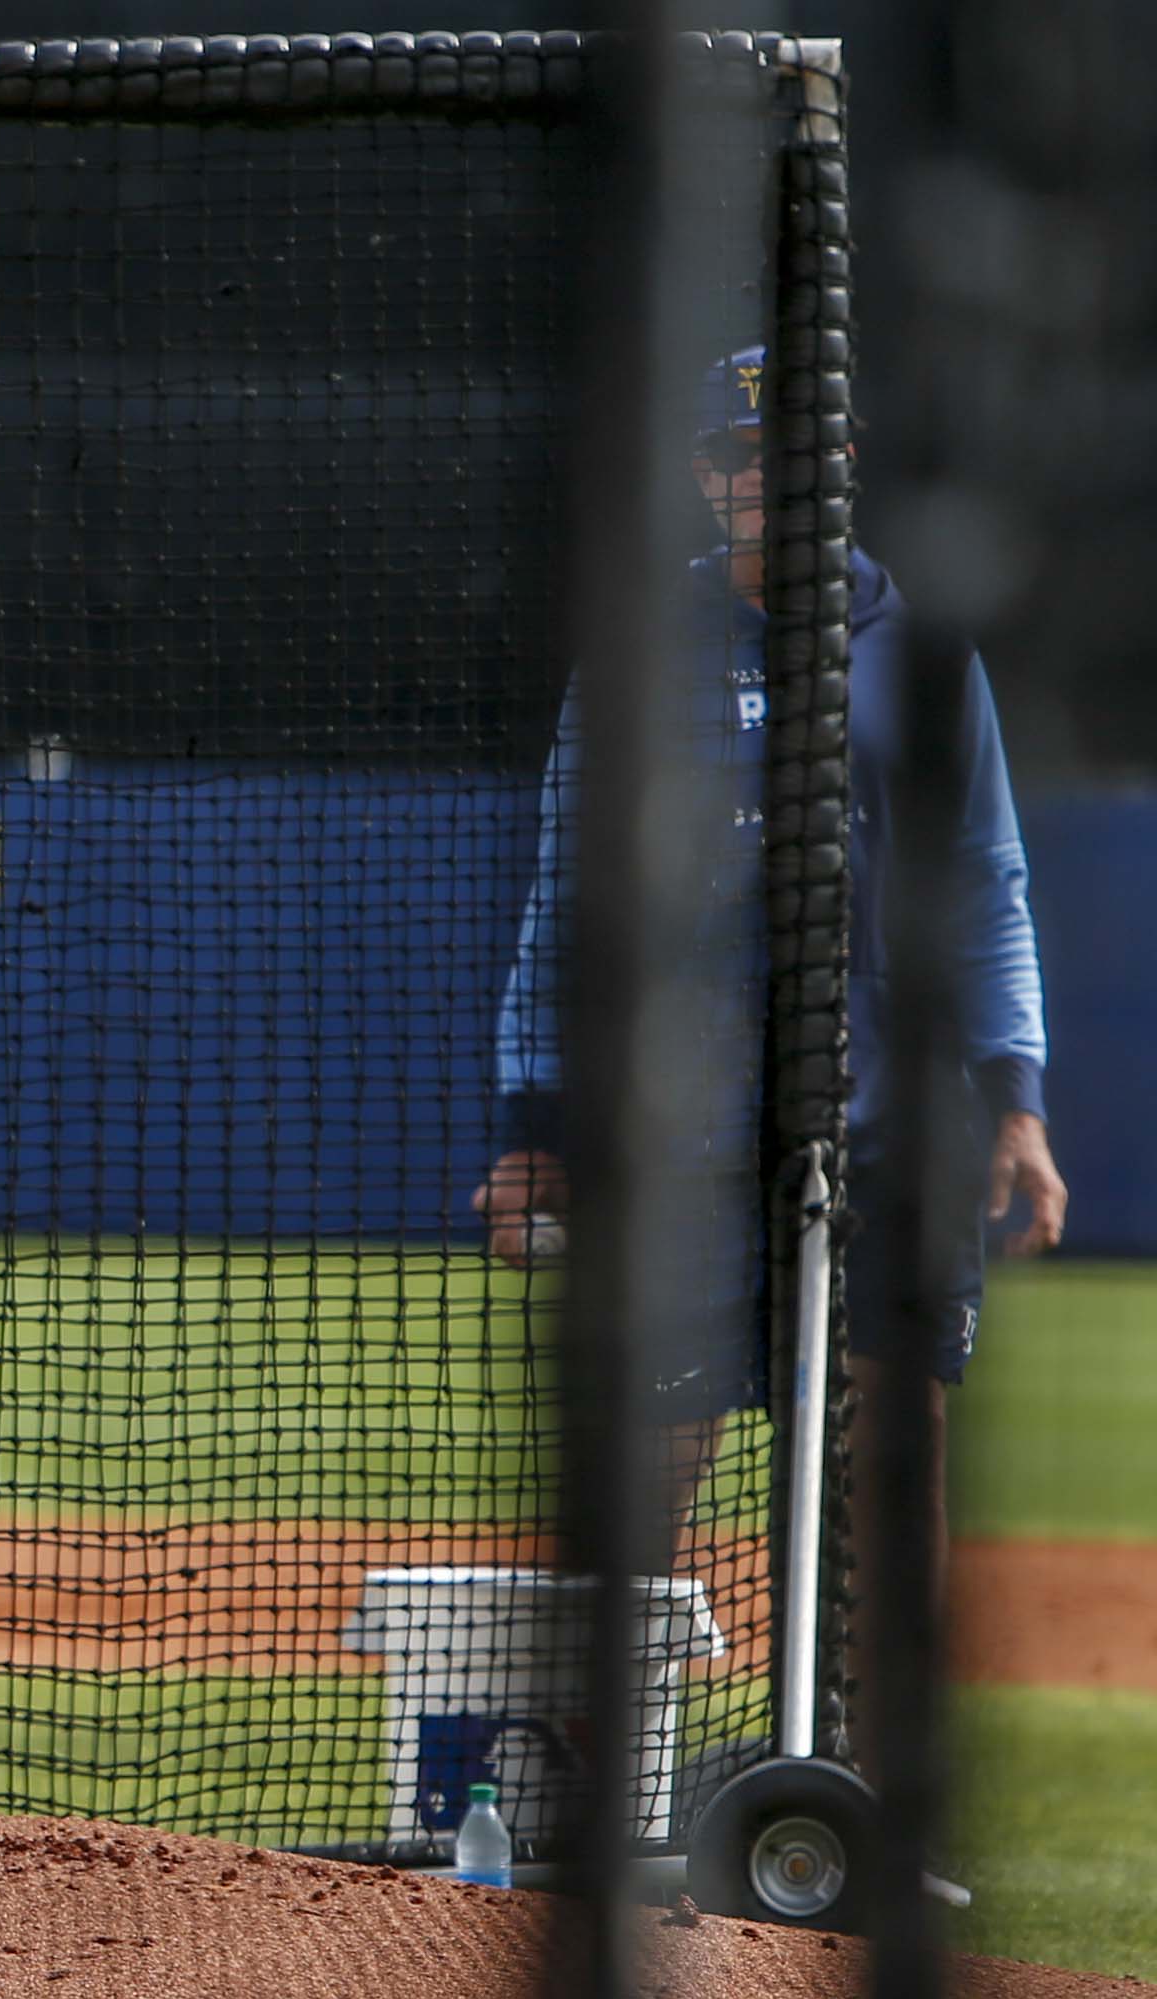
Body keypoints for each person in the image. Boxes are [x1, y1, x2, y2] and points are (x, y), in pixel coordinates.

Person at [471, 346, 1068, 1580]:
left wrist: (1017, 1100)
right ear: (701, 475)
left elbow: (989, 886)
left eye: (790, 452)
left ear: (840, 466)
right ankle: (630, 1766)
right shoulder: (639, 657)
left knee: (886, 1471)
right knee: (648, 1466)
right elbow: (567, 900)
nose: (762, 476)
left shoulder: (928, 655)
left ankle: (861, 1773)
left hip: (891, 1128)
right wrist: (537, 1121)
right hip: (686, 1127)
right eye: (735, 454)